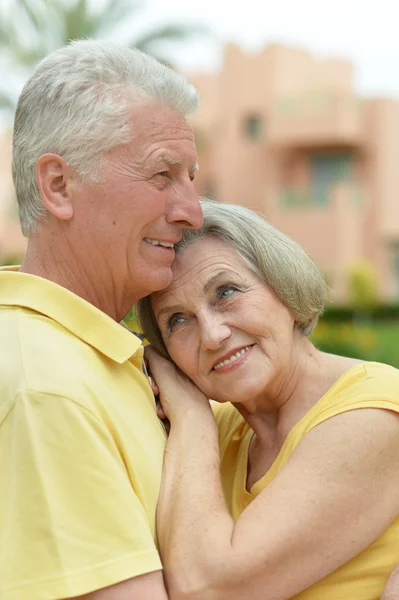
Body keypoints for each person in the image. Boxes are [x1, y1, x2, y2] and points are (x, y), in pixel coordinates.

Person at [0, 40, 203, 599]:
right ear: (59, 186)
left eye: (191, 177)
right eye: (163, 176)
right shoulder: (47, 387)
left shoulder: (100, 356)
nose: (193, 211)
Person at [138, 199, 399, 600]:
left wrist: (191, 418)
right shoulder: (223, 429)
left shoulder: (374, 412)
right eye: (177, 320)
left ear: (283, 285)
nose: (211, 335)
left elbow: (207, 589)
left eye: (226, 292)